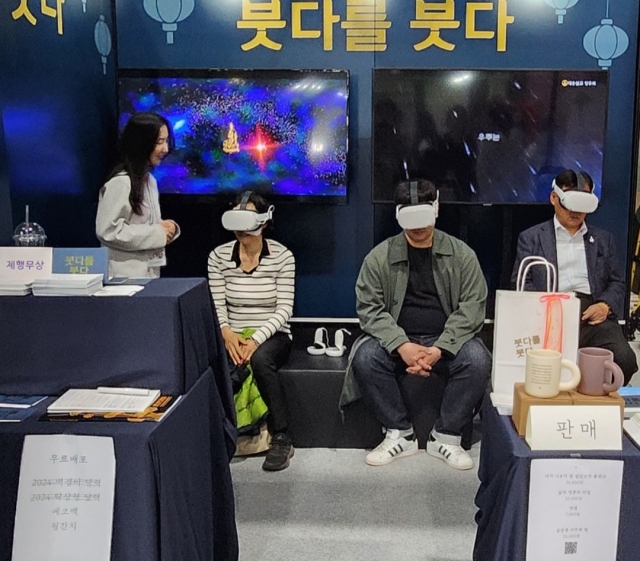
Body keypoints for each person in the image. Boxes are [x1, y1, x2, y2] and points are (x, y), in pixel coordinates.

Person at [342, 179, 491, 470]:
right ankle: (399, 431)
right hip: (399, 339)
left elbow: (473, 308)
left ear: (436, 210)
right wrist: (401, 345)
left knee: (477, 358)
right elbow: (369, 309)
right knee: (365, 357)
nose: (418, 228)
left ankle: (446, 435)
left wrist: (439, 349)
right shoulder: (379, 258)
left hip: (444, 339)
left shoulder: (462, 255)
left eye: (423, 218)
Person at [512, 169, 638, 385]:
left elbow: (617, 282)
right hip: (548, 314)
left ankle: (595, 402)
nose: (576, 212)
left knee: (625, 359)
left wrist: (605, 306)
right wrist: (549, 308)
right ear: (554, 198)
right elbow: (521, 282)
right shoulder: (532, 238)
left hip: (591, 314)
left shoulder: (603, 240)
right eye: (570, 202)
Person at [208, 191, 296, 471]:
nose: (243, 231)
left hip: (273, 334)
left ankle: (281, 436)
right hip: (232, 333)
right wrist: (228, 334)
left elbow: (284, 309)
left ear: (264, 221)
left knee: (260, 361)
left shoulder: (283, 256)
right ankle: (219, 433)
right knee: (219, 362)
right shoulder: (218, 257)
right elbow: (216, 304)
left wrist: (255, 340)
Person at [96, 112, 180, 278]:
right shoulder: (121, 183)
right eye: (159, 142)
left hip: (147, 275)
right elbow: (108, 231)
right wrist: (157, 233)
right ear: (142, 144)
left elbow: (145, 222)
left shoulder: (149, 181)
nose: (166, 149)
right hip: (122, 278)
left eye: (166, 141)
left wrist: (168, 228)